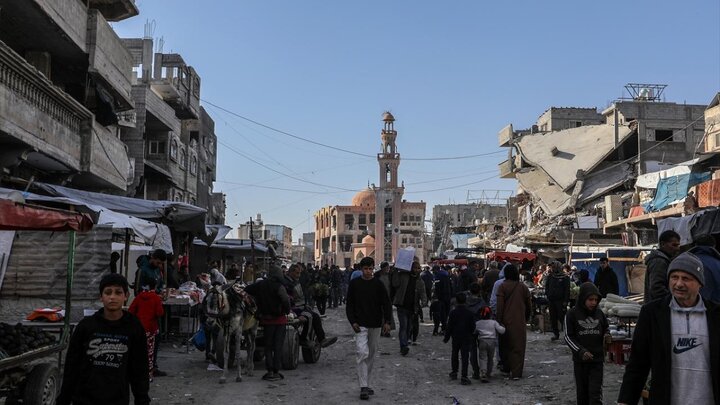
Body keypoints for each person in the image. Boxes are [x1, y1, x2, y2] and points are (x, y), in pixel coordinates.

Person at [618, 251, 720, 405]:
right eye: (674, 277)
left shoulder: (716, 315)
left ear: (700, 283)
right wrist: (625, 401)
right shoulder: (653, 314)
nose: (678, 284)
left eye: (686, 278)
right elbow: (638, 363)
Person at [57, 274, 150, 405]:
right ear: (101, 297)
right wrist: (64, 399)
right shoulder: (86, 326)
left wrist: (142, 399)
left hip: (117, 399)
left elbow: (139, 368)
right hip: (84, 398)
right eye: (108, 292)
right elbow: (72, 366)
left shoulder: (133, 327)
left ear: (126, 296)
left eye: (118, 292)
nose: (112, 297)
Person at [346, 257, 392, 401]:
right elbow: (350, 305)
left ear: (373, 269)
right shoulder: (354, 284)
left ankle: (366, 383)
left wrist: (387, 322)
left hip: (376, 324)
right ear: (361, 269)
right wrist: (352, 321)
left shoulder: (378, 284)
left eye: (370, 269)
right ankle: (363, 387)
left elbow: (386, 304)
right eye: (365, 269)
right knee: (361, 353)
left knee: (371, 355)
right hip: (360, 325)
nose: (368, 271)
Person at [564, 282, 609, 405]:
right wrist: (581, 351)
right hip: (580, 362)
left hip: (597, 360)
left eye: (596, 299)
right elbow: (568, 337)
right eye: (590, 299)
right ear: (583, 298)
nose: (593, 302)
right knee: (582, 395)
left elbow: (606, 328)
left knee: (595, 395)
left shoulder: (600, 314)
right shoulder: (572, 314)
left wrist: (607, 336)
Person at [245, 264, 291, 382]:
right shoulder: (280, 286)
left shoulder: (260, 285)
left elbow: (247, 290)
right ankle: (276, 371)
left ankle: (269, 371)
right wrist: (287, 311)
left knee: (268, 346)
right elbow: (285, 300)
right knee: (278, 346)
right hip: (280, 320)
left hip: (266, 320)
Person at [284, 264, 337, 348]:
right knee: (309, 317)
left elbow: (300, 296)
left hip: (300, 307)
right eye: (297, 273)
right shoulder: (287, 283)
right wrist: (294, 312)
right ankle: (304, 339)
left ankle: (322, 339)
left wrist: (305, 305)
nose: (299, 275)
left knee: (315, 316)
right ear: (291, 272)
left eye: (299, 273)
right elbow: (288, 301)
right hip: (294, 309)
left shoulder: (294, 281)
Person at [496, 264, 531, 380]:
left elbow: (500, 306)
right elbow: (528, 305)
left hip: (505, 321)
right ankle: (516, 373)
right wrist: (526, 318)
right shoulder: (523, 287)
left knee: (505, 346)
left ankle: (506, 369)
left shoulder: (502, 286)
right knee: (518, 347)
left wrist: (499, 320)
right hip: (519, 321)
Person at [128, 277, 165, 381]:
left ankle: (135, 373)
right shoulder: (156, 298)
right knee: (149, 353)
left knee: (136, 351)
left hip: (138, 329)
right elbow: (160, 313)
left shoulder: (139, 297)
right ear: (155, 286)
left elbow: (131, 311)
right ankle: (148, 375)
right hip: (150, 329)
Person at [390, 260, 426, 355]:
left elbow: (423, 292)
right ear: (411, 268)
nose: (417, 270)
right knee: (403, 326)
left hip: (413, 308)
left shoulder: (420, 281)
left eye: (418, 268)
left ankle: (405, 343)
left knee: (409, 327)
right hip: (402, 305)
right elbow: (395, 283)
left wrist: (424, 302)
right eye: (415, 268)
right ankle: (403, 346)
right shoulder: (403, 276)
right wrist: (395, 271)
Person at [443, 292, 477, 385]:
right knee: (465, 356)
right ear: (465, 301)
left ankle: (454, 372)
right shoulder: (469, 313)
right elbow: (473, 326)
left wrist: (446, 337)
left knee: (455, 353)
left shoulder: (453, 313)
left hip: (456, 336)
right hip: (466, 337)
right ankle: (464, 376)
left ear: (456, 301)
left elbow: (449, 326)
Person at [644, 230, 681, 303]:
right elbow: (657, 288)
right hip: (658, 308)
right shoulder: (659, 261)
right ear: (663, 244)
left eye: (678, 245)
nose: (677, 249)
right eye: (674, 245)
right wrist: (673, 302)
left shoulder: (664, 260)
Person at [475, 306, 505, 383]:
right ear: (490, 314)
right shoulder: (494, 322)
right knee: (490, 358)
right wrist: (503, 327)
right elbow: (501, 331)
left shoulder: (478, 323)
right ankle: (489, 372)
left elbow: (474, 331)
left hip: (482, 341)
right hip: (492, 341)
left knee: (482, 357)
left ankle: (483, 372)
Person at [689, 234, 720, 304]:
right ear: (714, 246)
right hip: (715, 310)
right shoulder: (718, 264)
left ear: (696, 245)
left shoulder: (684, 261)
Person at [544, 261, 570, 341]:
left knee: (562, 317)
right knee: (553, 318)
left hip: (560, 301)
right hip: (551, 300)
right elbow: (547, 287)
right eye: (552, 267)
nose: (552, 268)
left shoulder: (565, 277)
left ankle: (568, 334)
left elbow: (567, 290)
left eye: (554, 267)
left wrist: (565, 301)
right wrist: (548, 295)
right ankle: (556, 334)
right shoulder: (550, 276)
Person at [374, 262, 395, 337]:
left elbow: (393, 286)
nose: (387, 269)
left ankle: (387, 331)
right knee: (380, 315)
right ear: (382, 268)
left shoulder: (390, 275)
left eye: (388, 268)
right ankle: (381, 330)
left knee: (388, 314)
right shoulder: (377, 275)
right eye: (386, 268)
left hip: (388, 298)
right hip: (379, 298)